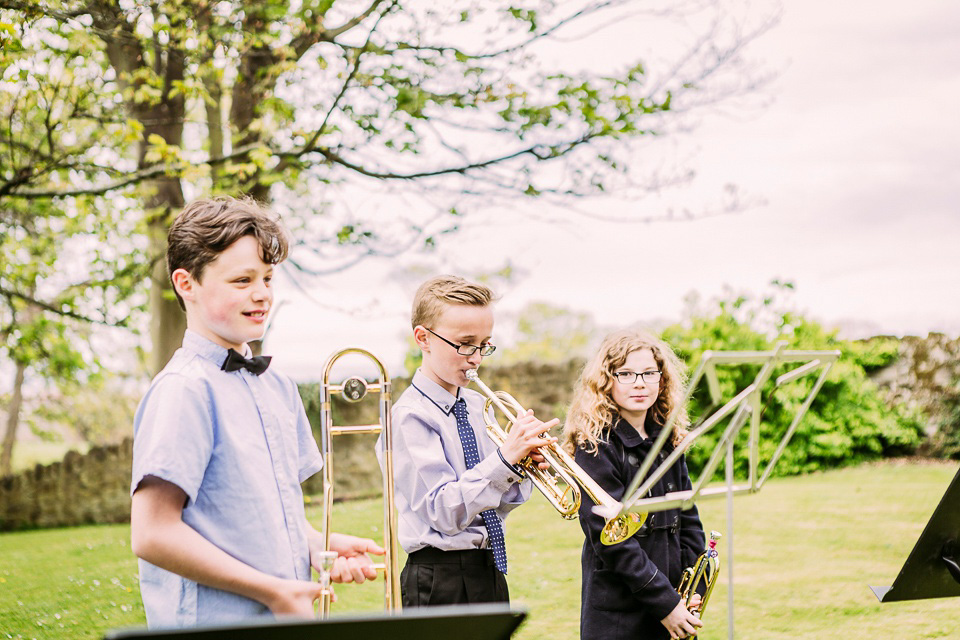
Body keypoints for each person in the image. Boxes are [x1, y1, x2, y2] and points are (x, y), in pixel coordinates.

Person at [130, 196, 383, 629]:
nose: (262, 293)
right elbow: (153, 534)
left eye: (267, 278)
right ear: (186, 284)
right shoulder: (183, 391)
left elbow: (272, 515)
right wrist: (273, 590)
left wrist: (317, 547)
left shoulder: (278, 387)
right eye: (242, 280)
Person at [379, 275, 558, 607]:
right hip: (438, 577)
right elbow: (443, 513)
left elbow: (495, 505)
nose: (476, 357)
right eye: (465, 343)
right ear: (423, 338)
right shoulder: (409, 417)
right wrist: (503, 461)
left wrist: (521, 469)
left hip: (487, 567)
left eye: (484, 344)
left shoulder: (477, 406)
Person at [562, 328, 707, 640]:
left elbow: (688, 517)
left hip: (672, 598)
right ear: (606, 381)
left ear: (661, 379)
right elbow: (610, 540)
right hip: (619, 613)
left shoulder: (665, 440)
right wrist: (666, 604)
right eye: (625, 373)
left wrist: (693, 586)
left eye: (648, 373)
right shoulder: (596, 446)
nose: (639, 382)